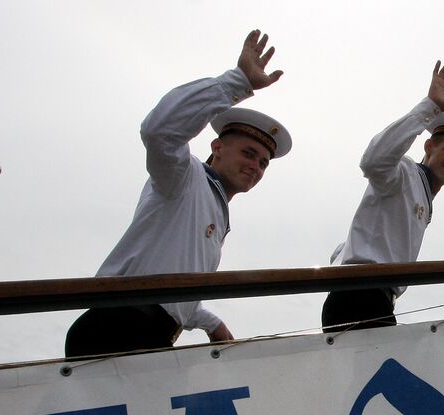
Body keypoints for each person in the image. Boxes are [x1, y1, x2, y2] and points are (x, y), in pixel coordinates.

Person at [65, 30, 290, 357]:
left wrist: (211, 323)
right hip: (120, 325)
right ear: (217, 148)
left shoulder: (216, 208)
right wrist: (236, 82)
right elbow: (159, 131)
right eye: (248, 153)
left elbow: (175, 287)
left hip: (151, 333)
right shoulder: (184, 175)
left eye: (263, 162)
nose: (256, 165)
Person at [322, 60, 444, 333]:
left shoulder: (423, 194)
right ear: (429, 146)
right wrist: (429, 106)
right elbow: (373, 160)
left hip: (376, 298)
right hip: (359, 296)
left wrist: (345, 257)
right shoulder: (403, 174)